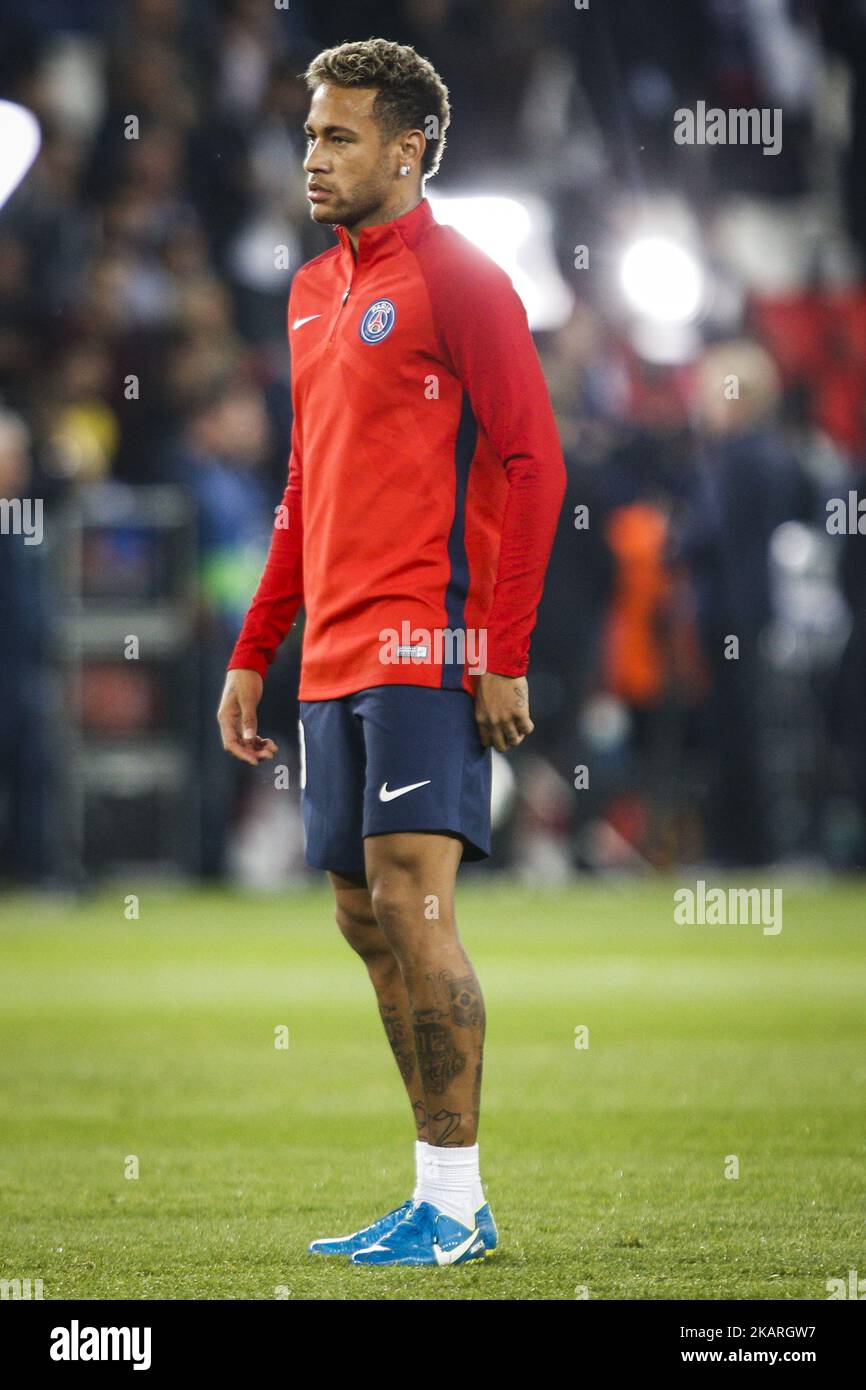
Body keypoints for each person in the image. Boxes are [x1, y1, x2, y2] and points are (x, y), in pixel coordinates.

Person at [217, 37, 565, 1267]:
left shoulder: (461, 281)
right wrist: (257, 644)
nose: (312, 155)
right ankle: (431, 1191)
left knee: (414, 905)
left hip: (427, 644)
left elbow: (534, 464)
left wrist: (500, 649)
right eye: (310, 134)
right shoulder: (315, 289)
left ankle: (461, 1205)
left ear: (407, 150)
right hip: (331, 659)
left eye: (339, 136)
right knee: (365, 918)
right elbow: (304, 486)